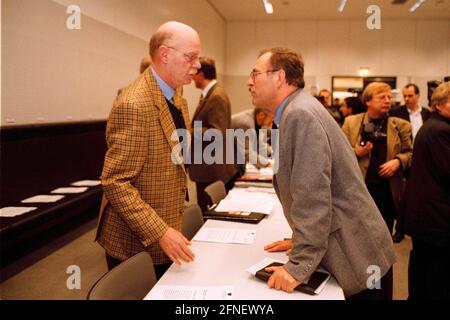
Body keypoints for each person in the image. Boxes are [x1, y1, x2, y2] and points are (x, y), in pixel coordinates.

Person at [248, 47, 396, 299]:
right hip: (358, 249)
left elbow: (312, 196)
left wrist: (298, 265)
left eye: (255, 73)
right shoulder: (298, 108)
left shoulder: (300, 114)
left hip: (357, 257)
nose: (250, 81)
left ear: (279, 76)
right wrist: (300, 238)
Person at [95, 21, 201, 279]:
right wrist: (160, 231)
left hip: (168, 229)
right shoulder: (134, 104)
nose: (197, 65)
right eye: (191, 57)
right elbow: (116, 182)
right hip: (135, 244)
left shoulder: (176, 94)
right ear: (164, 54)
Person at [342, 82, 412, 237]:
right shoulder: (351, 122)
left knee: (383, 237)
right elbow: (338, 155)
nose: (387, 100)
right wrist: (356, 153)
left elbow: (411, 153)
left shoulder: (401, 126)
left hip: (387, 191)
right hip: (358, 190)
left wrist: (398, 161)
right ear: (367, 101)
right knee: (357, 237)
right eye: (382, 97)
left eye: (389, 97)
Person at [402, 82, 450, 300]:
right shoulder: (441, 130)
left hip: (427, 214)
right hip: (436, 215)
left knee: (423, 266)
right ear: (439, 105)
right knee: (434, 274)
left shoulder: (433, 126)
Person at [188, 57, 237, 213]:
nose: (192, 77)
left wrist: (189, 130)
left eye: (194, 72)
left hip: (211, 169)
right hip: (208, 167)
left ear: (201, 74)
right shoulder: (209, 95)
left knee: (207, 215)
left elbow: (217, 133)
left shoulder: (216, 96)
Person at [390, 83, 431, 243]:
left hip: (423, 160)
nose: (407, 99)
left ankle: (420, 226)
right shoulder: (396, 113)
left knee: (422, 195)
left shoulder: (427, 114)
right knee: (403, 196)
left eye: (410, 96)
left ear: (418, 95)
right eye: (404, 96)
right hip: (405, 157)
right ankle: (400, 229)